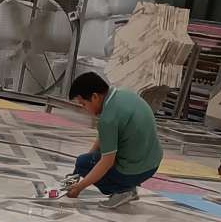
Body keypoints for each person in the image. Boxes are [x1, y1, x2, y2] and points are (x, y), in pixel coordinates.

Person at [61, 72, 163, 209]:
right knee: (85, 161)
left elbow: (107, 162)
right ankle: (128, 185)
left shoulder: (108, 119)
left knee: (84, 163)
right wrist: (87, 160)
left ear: (95, 97)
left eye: (83, 104)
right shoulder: (124, 95)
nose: (85, 109)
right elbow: (104, 137)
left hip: (134, 170)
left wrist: (80, 187)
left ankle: (124, 190)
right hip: (152, 164)